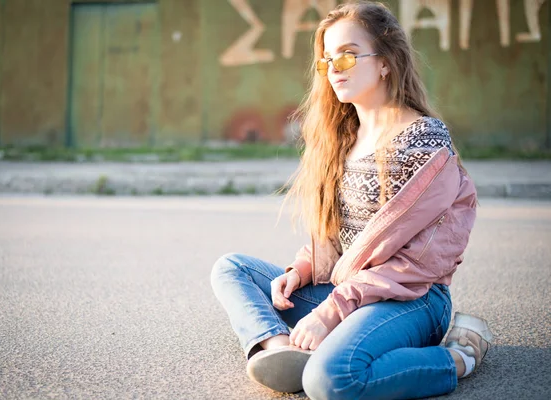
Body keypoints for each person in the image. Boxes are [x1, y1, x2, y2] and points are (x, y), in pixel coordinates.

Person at [210, 2, 493, 399]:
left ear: (386, 62)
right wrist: (303, 269)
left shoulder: (424, 140)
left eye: (347, 55)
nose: (334, 69)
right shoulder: (342, 137)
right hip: (346, 292)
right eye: (327, 61)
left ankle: (459, 356)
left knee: (333, 380)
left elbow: (421, 262)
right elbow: (336, 236)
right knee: (232, 269)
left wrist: (329, 313)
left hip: (410, 299)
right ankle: (281, 353)